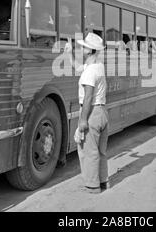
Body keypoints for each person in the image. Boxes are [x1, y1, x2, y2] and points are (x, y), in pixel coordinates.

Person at [65, 32, 109, 194]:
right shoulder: (97, 66)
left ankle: (92, 186)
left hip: (92, 113)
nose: (81, 48)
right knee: (101, 151)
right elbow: (78, 68)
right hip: (102, 112)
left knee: (88, 151)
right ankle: (104, 182)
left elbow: (88, 96)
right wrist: (69, 53)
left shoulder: (90, 72)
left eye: (84, 46)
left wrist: (83, 120)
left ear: (90, 51)